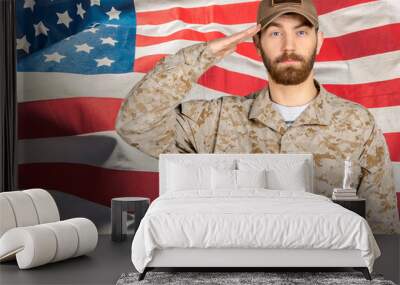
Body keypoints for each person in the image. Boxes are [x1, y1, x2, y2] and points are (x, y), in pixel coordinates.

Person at [115, 0, 400, 234]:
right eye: (275, 33)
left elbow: (381, 230)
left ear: (319, 41)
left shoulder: (357, 125)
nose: (289, 45)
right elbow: (135, 124)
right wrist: (204, 54)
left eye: (301, 32)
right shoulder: (214, 120)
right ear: (257, 42)